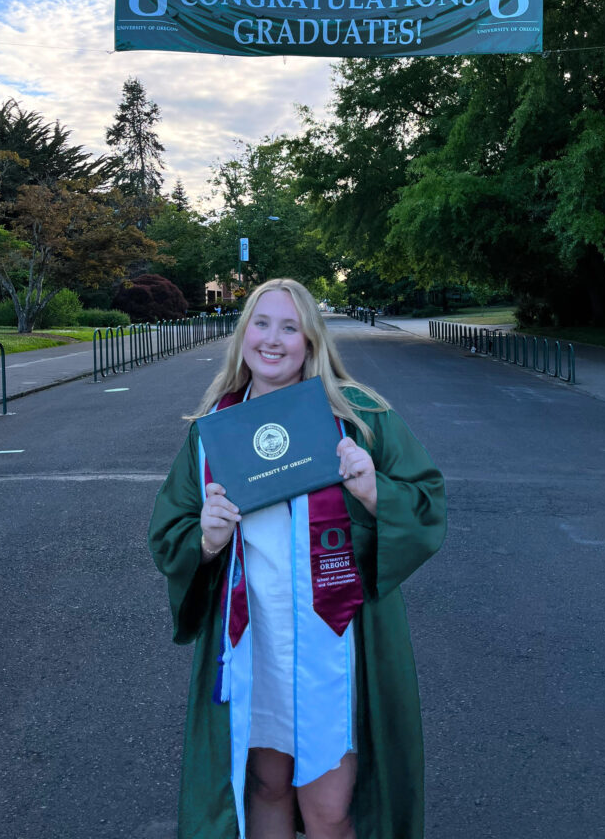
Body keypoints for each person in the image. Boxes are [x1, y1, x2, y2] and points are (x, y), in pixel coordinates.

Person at [148, 278, 446, 839]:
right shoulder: (216, 429)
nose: (273, 340)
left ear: (311, 340)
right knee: (265, 786)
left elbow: (427, 501)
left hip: (336, 637)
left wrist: (372, 490)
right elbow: (171, 530)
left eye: (291, 327)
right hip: (253, 637)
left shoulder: (358, 415)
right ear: (242, 337)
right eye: (261, 324)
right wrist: (206, 540)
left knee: (330, 807)